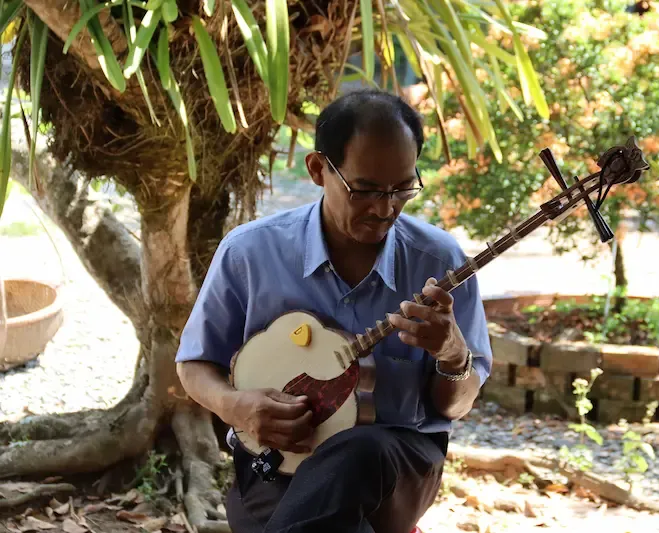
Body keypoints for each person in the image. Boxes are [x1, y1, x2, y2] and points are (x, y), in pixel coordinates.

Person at [175, 88, 493, 533]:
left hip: (397, 467)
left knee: (358, 451)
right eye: (364, 190)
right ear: (318, 169)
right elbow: (194, 363)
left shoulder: (439, 262)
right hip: (276, 465)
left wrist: (454, 357)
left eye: (402, 189)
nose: (385, 209)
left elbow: (454, 406)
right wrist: (236, 406)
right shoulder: (251, 252)